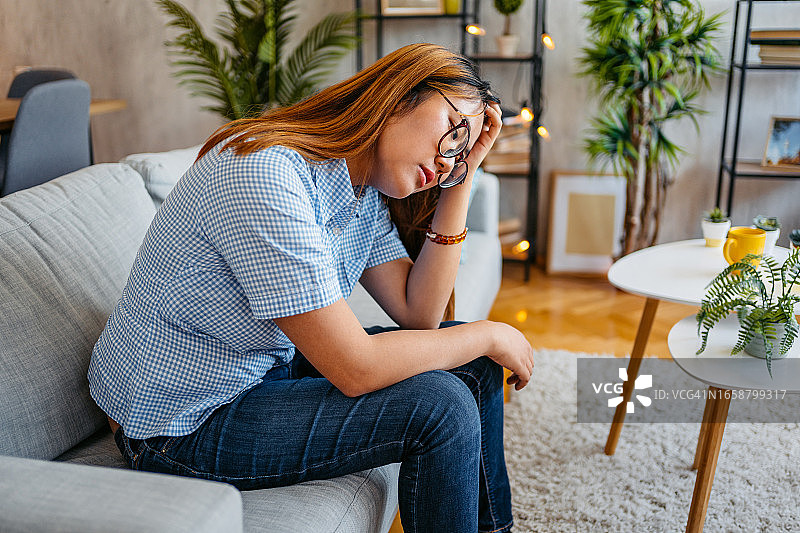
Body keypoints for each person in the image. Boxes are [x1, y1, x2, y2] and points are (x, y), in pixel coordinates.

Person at [88, 43, 534, 533]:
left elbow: (419, 313)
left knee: (474, 366)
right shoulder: (267, 176)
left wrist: (461, 179)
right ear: (399, 93)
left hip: (260, 370)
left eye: (462, 150)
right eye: (454, 132)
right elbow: (355, 368)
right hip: (180, 425)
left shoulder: (360, 188)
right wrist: (490, 333)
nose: (449, 158)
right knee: (441, 406)